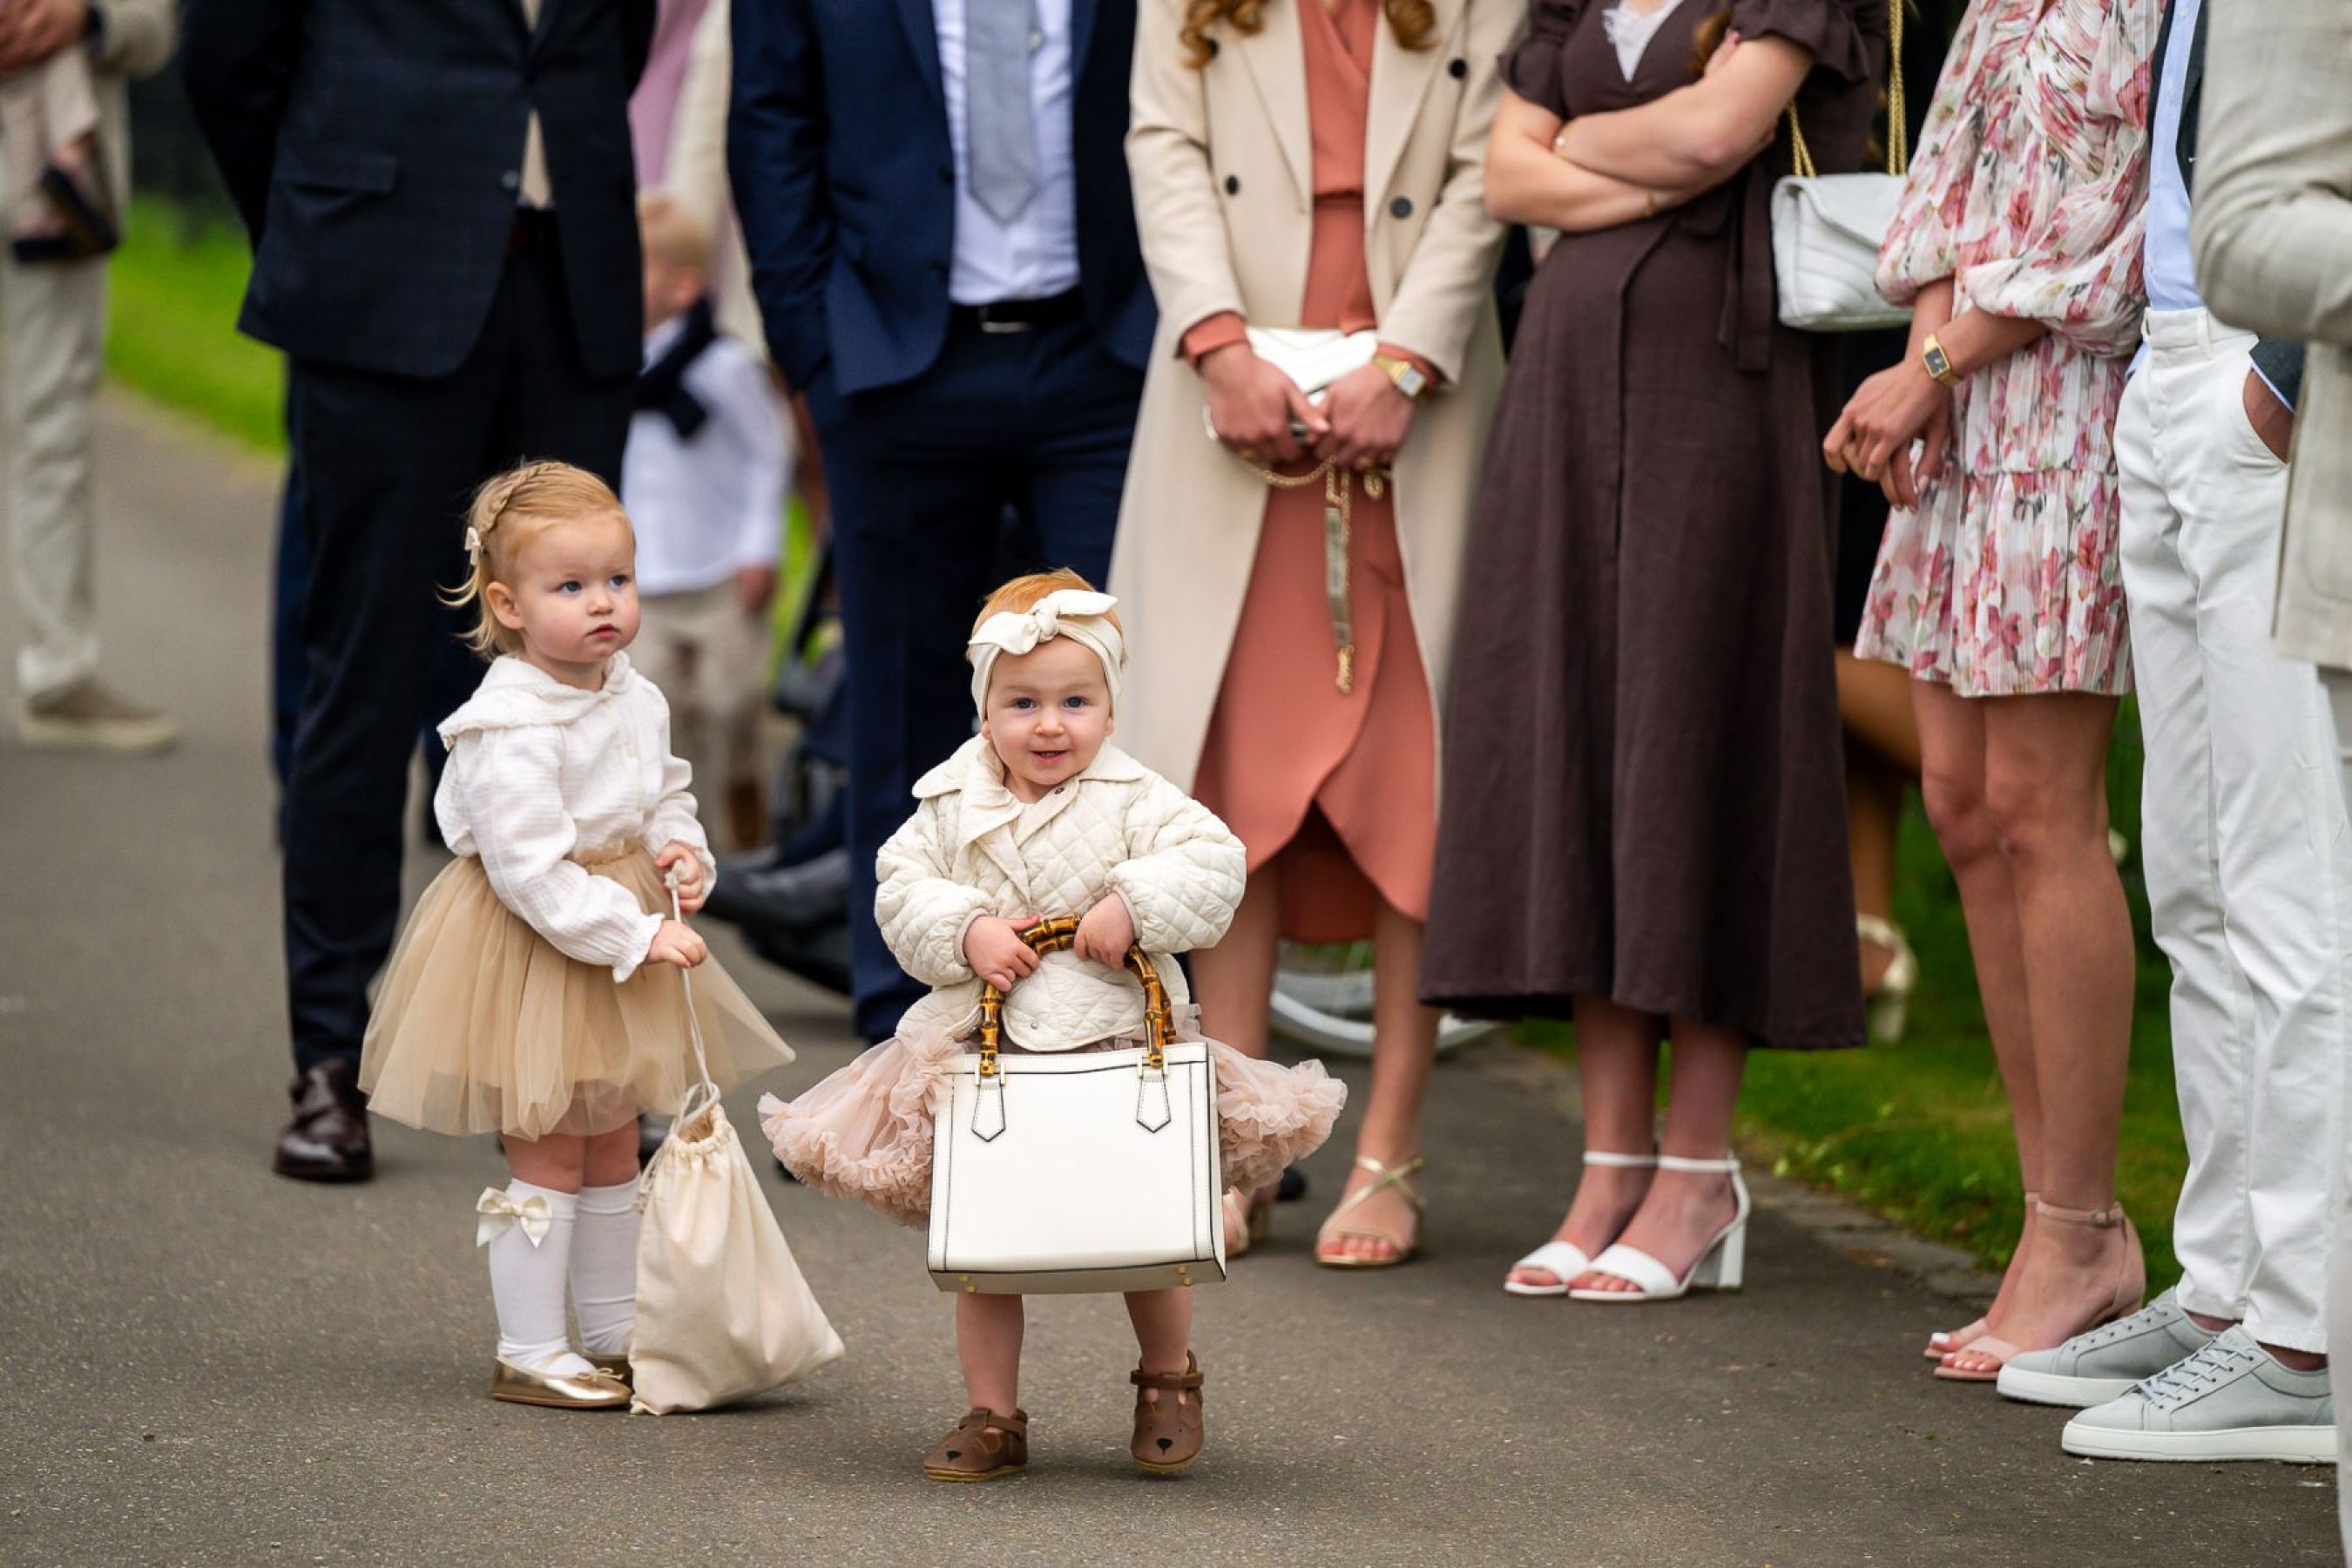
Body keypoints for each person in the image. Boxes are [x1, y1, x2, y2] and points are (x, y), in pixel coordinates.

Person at [1422, 0, 1882, 1303]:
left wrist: (1579, 165)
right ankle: (1610, 1160)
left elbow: (1720, 137)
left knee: (1697, 736)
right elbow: (1507, 171)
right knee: (1577, 742)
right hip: (1565, 386)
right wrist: (1634, 171)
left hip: (1720, 386)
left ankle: (1698, 1171)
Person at [181, 0, 657, 1184]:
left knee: (577, 694)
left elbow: (616, 42)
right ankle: (331, 1062)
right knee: (362, 677)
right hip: (380, 288)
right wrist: (324, 223)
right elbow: (229, 60)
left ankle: (566, 1067)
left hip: (572, 290)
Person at [1980, 0, 2344, 1466]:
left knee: (2288, 884)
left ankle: (2314, 1331)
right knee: (2194, 876)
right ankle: (2232, 1287)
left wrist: (2292, 368)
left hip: (2269, 374)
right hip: (2173, 358)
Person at [760, 574, 1343, 1479]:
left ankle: (1166, 1378)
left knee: (1148, 1236)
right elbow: (899, 885)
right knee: (986, 1251)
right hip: (988, 1054)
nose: (1049, 725)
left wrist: (1133, 903)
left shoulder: (1141, 799)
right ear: (984, 711)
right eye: (1021, 702)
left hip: (1117, 1045)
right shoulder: (949, 804)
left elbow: (1216, 864)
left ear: (1110, 709)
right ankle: (993, 1413)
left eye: (1076, 701)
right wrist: (967, 928)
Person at [1112, 0, 1513, 1267]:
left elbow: (1484, 165)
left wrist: (1404, 367)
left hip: (1420, 405)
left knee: (1419, 782)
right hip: (1232, 402)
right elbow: (1162, 146)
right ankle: (1235, 1145)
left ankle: (1390, 1152)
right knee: (1232, 784)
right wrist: (1218, 348)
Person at [1828, 0, 2159, 1377]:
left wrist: (1939, 367)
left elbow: (2111, 232)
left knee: (2040, 806)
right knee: (1961, 806)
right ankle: (2051, 1223)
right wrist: (1923, 369)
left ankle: (2085, 1227)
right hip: (1956, 414)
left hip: (2066, 412)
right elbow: (1940, 195)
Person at [729, 0, 1155, 1046]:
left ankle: (1130, 1047)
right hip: (895, 359)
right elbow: (770, 120)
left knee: (1119, 702)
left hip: (1106, 352)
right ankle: (904, 1040)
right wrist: (813, 347)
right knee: (903, 713)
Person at [358, 463, 794, 1410]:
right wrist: (633, 934)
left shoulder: (630, 691)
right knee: (550, 1147)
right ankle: (529, 1345)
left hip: (621, 922)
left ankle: (608, 1327)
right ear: (508, 606)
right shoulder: (509, 725)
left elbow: (664, 791)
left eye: (618, 582)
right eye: (571, 588)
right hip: (538, 943)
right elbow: (527, 873)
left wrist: (681, 854)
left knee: (609, 1141)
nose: (603, 605)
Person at [2193, 0, 2352, 1510]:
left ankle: (2290, 1326)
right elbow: (2249, 222)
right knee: (2234, 897)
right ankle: (2276, 1319)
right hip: (2205, 370)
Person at [3, 0, 178, 752]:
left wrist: (89, 16)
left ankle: (58, 673)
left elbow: (159, 26)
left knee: (53, 423)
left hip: (55, 183)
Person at [623, 189, 788, 851]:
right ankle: (668, 833)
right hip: (645, 575)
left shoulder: (723, 368)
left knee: (732, 700)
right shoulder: (611, 366)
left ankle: (744, 790)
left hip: (719, 570)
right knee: (652, 708)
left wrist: (760, 548)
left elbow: (770, 453)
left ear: (685, 286)